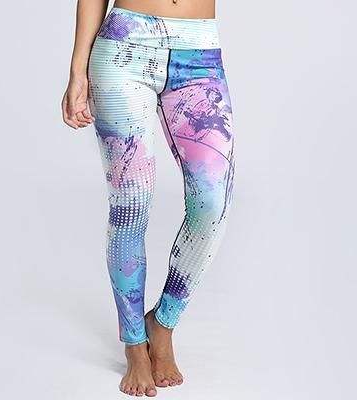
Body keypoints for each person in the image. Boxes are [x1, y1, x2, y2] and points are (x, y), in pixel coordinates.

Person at [61, 0, 235, 397]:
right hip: (124, 47)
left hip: (199, 53)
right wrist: (77, 72)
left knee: (213, 203)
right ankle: (134, 344)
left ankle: (163, 323)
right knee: (131, 207)